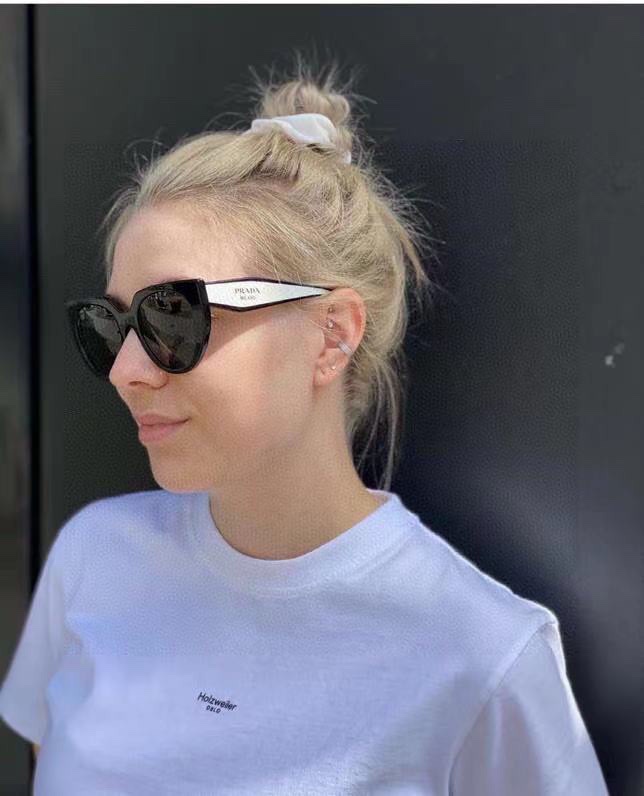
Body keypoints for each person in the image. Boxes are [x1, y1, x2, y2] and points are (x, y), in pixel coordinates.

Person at [0, 53, 609, 795]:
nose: (127, 369)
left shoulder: (483, 658)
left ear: (331, 334)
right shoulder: (93, 558)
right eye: (113, 323)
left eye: (172, 314)